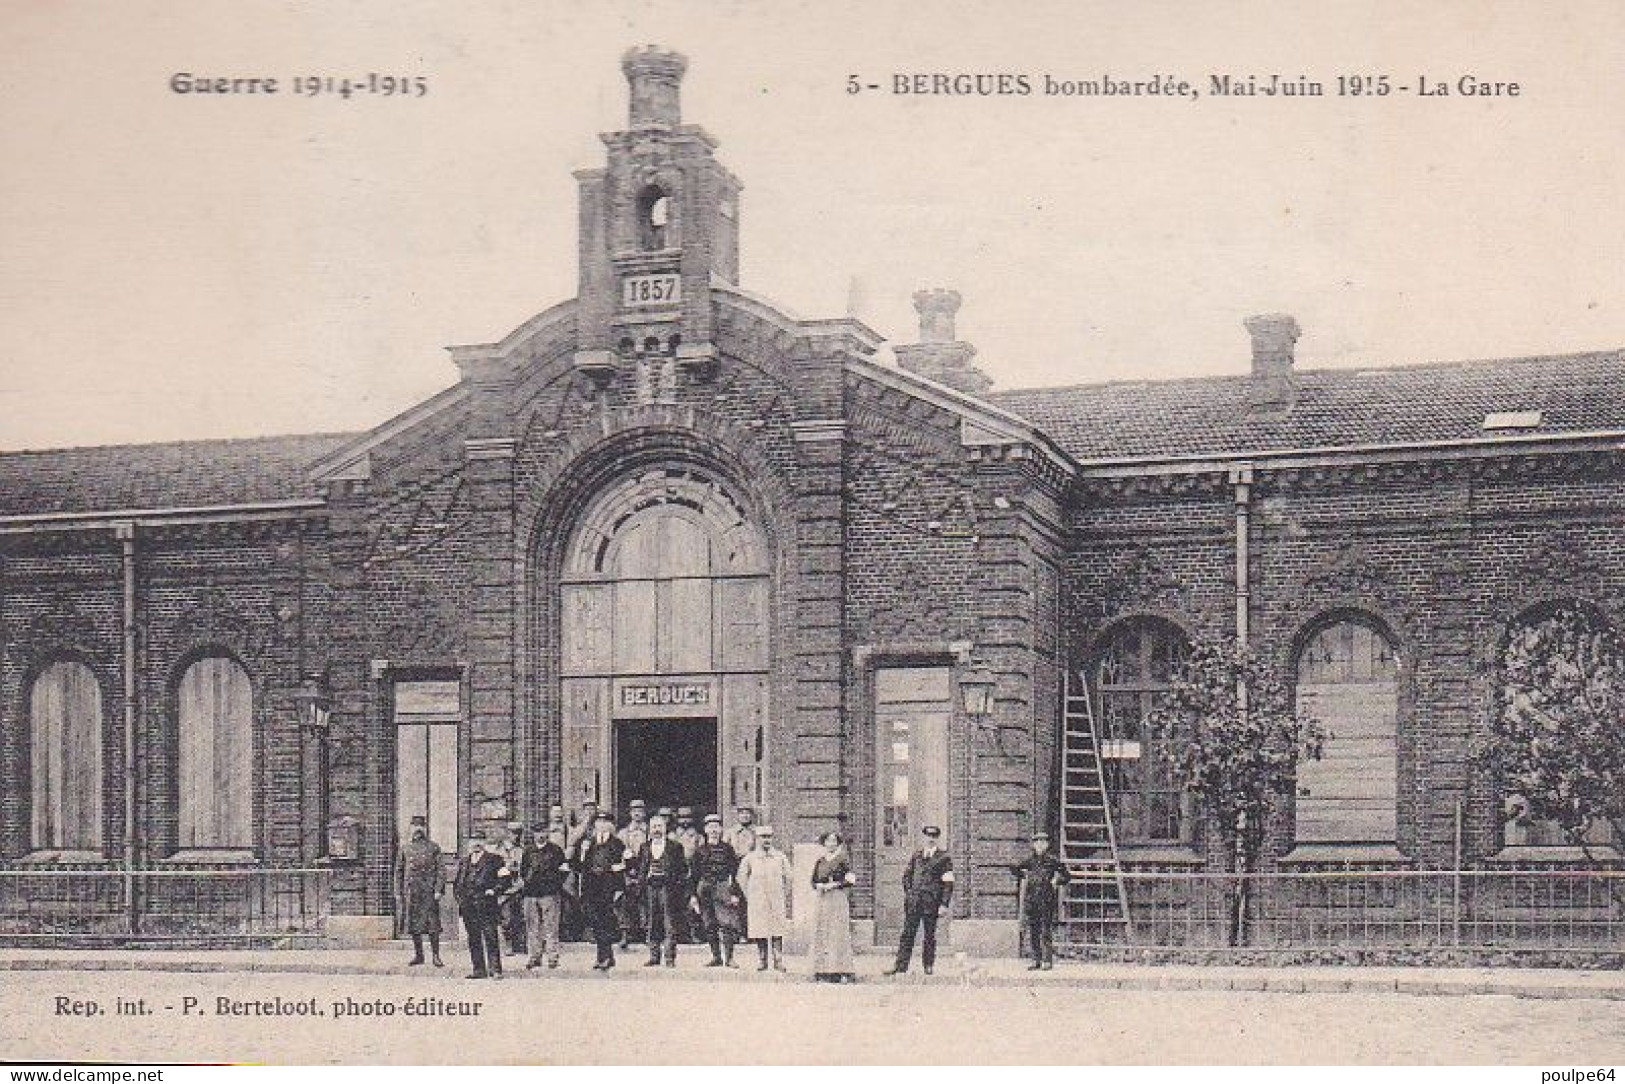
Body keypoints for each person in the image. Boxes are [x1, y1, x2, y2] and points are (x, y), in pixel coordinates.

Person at [884, 825, 954, 976]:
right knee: (907, 934)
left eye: (933, 837)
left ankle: (928, 965)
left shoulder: (944, 858)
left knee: (929, 935)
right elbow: (906, 876)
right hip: (914, 902)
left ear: (937, 839)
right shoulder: (916, 856)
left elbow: (948, 883)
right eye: (928, 836)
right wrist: (910, 893)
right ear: (924, 838)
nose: (930, 839)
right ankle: (900, 966)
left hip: (932, 902)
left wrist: (944, 904)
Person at [690, 813, 743, 968]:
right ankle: (716, 957)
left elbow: (735, 873)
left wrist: (734, 893)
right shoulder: (699, 851)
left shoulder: (727, 849)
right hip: (704, 888)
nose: (713, 830)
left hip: (722, 887)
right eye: (710, 827)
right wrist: (693, 896)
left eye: (716, 827)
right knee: (709, 924)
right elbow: (693, 875)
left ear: (721, 830)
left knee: (726, 924)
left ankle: (730, 958)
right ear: (705, 830)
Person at [1011, 830, 1070, 970]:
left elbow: (1067, 876)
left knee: (1046, 931)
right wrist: (1023, 876)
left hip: (1047, 899)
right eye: (1037, 842)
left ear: (1047, 845)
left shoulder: (1053, 861)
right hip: (1032, 900)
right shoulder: (1030, 861)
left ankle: (1047, 960)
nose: (1040, 845)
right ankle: (1035, 960)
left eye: (1043, 842)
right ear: (1033, 845)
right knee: (1034, 931)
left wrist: (1057, 880)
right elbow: (1014, 867)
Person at [736, 825, 793, 971]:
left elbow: (789, 877)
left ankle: (778, 960)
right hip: (758, 899)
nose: (766, 840)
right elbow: (741, 878)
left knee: (777, 929)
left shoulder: (780, 857)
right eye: (763, 837)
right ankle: (762, 960)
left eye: (769, 837)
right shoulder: (750, 858)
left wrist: (783, 894)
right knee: (759, 928)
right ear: (757, 839)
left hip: (776, 898)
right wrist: (749, 895)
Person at [635, 813, 688, 967]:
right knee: (652, 923)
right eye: (653, 827)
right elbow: (640, 868)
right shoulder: (644, 847)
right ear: (649, 829)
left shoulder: (675, 847)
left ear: (665, 828)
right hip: (650, 888)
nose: (656, 830)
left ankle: (670, 958)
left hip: (668, 889)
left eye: (659, 826)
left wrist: (672, 880)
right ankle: (654, 956)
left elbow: (682, 869)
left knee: (669, 923)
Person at [393, 814, 446, 968]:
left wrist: (438, 890)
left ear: (425, 829)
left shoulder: (434, 847)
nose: (417, 829)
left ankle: (436, 956)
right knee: (414, 925)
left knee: (432, 926)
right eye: (415, 826)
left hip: (429, 892)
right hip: (412, 892)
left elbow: (441, 870)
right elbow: (399, 871)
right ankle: (419, 955)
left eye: (420, 826)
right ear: (410, 829)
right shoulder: (405, 849)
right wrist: (398, 892)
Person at [452, 835, 508, 979]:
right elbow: (457, 882)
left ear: (484, 843)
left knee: (490, 936)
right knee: (473, 938)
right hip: (468, 906)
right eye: (473, 840)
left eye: (479, 840)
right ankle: (479, 970)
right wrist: (460, 899)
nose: (476, 843)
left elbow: (505, 879)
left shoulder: (495, 860)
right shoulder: (464, 862)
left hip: (487, 904)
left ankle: (495, 970)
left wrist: (494, 890)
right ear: (469, 843)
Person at [579, 810, 627, 971]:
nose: (601, 825)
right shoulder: (589, 843)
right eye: (598, 822)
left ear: (610, 825)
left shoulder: (617, 843)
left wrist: (618, 885)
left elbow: (626, 864)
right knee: (596, 923)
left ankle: (606, 956)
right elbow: (581, 867)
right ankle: (603, 956)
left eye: (605, 822)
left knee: (606, 922)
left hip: (609, 887)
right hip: (592, 887)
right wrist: (583, 852)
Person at [521, 822, 571, 970]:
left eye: (543, 832)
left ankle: (552, 957)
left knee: (551, 926)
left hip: (550, 893)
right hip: (531, 893)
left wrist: (555, 884)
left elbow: (564, 869)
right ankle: (534, 956)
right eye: (537, 832)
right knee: (533, 926)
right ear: (533, 834)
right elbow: (523, 871)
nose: (541, 835)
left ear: (547, 833)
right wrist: (528, 882)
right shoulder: (528, 851)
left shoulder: (556, 850)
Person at [809, 830, 857, 983]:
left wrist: (835, 884)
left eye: (834, 841)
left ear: (838, 843)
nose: (831, 844)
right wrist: (819, 886)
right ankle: (822, 969)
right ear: (824, 843)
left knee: (837, 933)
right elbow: (813, 880)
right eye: (828, 841)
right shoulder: (820, 861)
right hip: (823, 899)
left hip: (837, 898)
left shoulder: (843, 859)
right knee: (823, 931)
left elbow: (851, 879)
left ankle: (840, 969)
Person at [617, 799, 650, 949]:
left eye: (640, 810)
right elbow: (617, 853)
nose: (637, 813)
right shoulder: (623, 833)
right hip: (627, 873)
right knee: (625, 903)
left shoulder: (650, 831)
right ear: (630, 813)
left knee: (646, 903)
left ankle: (647, 933)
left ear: (644, 813)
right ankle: (625, 934)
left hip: (646, 872)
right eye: (634, 810)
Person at [498, 821, 528, 956]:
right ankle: (507, 945)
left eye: (518, 833)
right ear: (507, 833)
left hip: (520, 888)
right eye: (513, 833)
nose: (516, 836)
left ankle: (520, 945)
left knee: (521, 917)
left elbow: (526, 869)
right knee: (506, 919)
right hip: (505, 890)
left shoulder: (522, 850)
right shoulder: (499, 850)